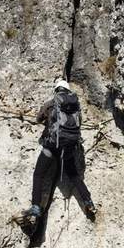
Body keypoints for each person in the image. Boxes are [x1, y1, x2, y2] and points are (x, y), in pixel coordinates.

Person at [21, 79, 96, 225]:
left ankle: (36, 207)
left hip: (52, 146)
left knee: (38, 174)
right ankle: (88, 202)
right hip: (68, 147)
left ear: (56, 90)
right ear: (67, 91)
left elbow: (38, 119)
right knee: (74, 176)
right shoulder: (75, 106)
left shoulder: (51, 103)